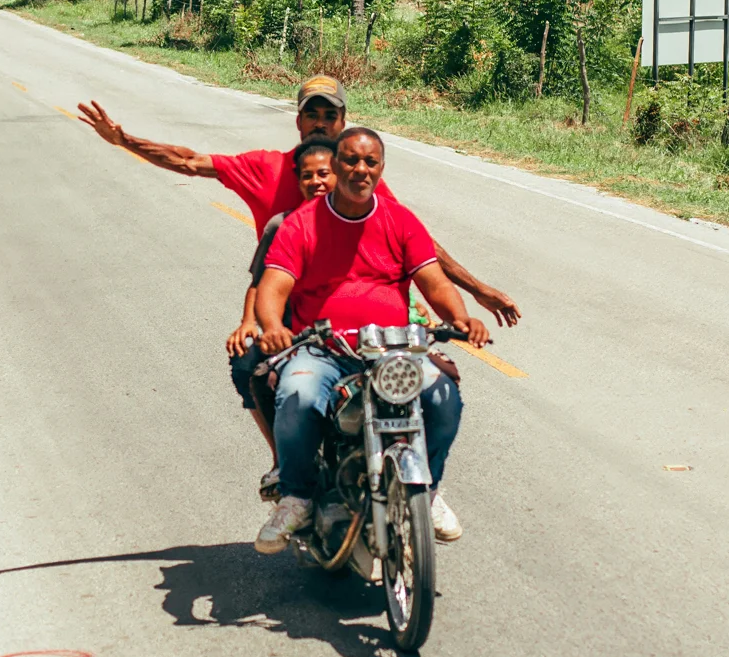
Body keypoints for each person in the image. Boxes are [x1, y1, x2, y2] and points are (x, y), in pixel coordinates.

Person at [76, 76, 522, 328]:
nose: (321, 124)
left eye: (331, 116)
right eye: (314, 114)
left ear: (344, 123)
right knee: (252, 370)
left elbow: (418, 244)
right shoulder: (265, 167)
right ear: (298, 121)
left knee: (436, 377)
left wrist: (477, 290)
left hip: (369, 304)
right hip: (293, 304)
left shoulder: (356, 176)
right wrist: (125, 140)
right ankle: (284, 469)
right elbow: (191, 161)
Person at [252, 128, 489, 554]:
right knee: (297, 393)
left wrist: (461, 318)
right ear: (337, 164)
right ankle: (297, 498)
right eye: (351, 161)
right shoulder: (301, 224)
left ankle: (428, 491)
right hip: (324, 348)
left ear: (381, 168)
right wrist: (272, 326)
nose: (361, 170)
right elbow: (273, 287)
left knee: (442, 396)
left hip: (392, 349)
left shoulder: (400, 220)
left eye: (371, 162)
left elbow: (433, 283)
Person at [227, 136, 338, 503]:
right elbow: (260, 283)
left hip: (353, 333)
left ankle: (423, 487)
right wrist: (251, 323)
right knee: (249, 366)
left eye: (325, 173)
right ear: (299, 181)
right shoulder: (284, 226)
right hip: (299, 334)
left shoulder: (367, 217)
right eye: (308, 176)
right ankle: (283, 460)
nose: (317, 182)